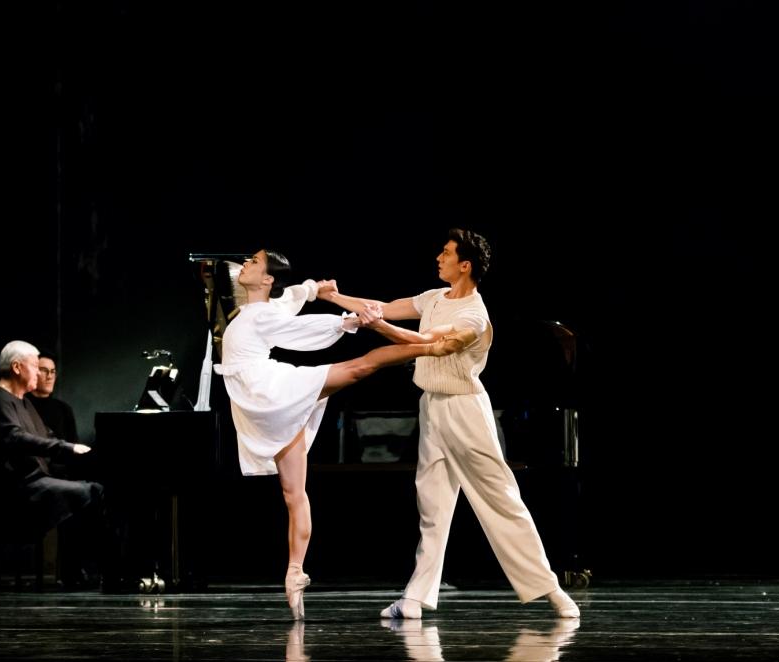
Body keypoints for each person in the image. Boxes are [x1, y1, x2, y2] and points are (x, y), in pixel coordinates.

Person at [319, 229, 581, 619]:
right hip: (433, 407)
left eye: (446, 253)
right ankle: (415, 598)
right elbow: (384, 307)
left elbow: (430, 342)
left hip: (465, 411)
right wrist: (334, 297)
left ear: (465, 265)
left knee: (500, 499)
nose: (439, 258)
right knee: (432, 503)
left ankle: (552, 590)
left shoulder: (474, 316)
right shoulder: (434, 298)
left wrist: (378, 327)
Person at [214, 249, 473, 620]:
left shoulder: (264, 313)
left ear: (268, 279)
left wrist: (348, 322)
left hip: (271, 390)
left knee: (359, 367)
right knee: (292, 492)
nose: (247, 265)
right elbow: (291, 300)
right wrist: (313, 289)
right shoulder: (264, 308)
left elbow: (302, 328)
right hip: (263, 397)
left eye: (254, 262)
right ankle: (294, 571)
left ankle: (430, 347)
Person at [0, 340, 115, 589]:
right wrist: (66, 448)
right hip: (13, 489)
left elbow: (46, 437)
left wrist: (90, 454)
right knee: (89, 492)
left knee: (94, 488)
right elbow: (15, 438)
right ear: (17, 367)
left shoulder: (24, 402)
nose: (39, 374)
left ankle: (91, 571)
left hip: (33, 482)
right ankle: (104, 572)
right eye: (35, 366)